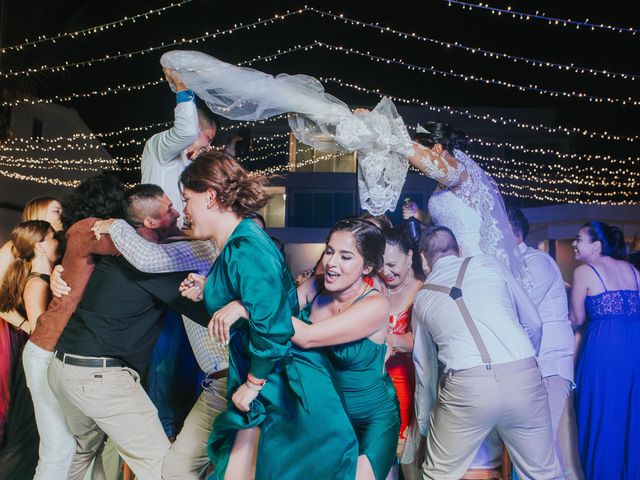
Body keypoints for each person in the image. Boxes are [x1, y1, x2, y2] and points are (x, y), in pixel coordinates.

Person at [178, 151, 359, 479]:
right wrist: (209, 288)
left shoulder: (245, 246)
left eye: (186, 199)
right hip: (264, 374)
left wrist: (253, 383)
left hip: (278, 380)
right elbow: (260, 296)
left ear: (210, 197)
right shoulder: (239, 243)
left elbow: (274, 323)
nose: (184, 210)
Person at [413, 226, 560, 480]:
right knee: (544, 475)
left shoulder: (422, 298)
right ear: (459, 251)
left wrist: (425, 427)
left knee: (438, 475)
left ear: (424, 261)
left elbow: (425, 371)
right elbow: (534, 323)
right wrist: (525, 366)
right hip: (523, 375)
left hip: (466, 388)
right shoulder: (490, 264)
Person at [22, 175, 126, 480]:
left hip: (60, 355)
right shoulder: (85, 232)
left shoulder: (75, 243)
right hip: (45, 353)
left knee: (75, 445)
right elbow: (131, 247)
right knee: (60, 448)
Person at [289, 218, 400, 480]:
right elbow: (277, 311)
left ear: (368, 266)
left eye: (345, 256)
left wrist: (251, 308)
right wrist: (221, 294)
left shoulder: (375, 305)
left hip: (372, 420)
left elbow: (305, 336)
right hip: (326, 418)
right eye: (329, 251)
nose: (331, 263)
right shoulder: (314, 287)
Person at [507, 207, 582, 479]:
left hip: (549, 364)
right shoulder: (508, 265)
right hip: (529, 366)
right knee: (539, 447)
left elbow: (520, 311)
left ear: (512, 232)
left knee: (538, 447)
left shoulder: (536, 262)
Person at [570, 221, 640, 479]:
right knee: (631, 410)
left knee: (600, 409)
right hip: (635, 344)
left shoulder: (585, 271)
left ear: (596, 245)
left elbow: (576, 318)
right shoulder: (632, 270)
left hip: (605, 346)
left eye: (579, 239)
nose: (575, 244)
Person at [142, 68, 239, 227]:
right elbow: (186, 131)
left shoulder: (189, 162)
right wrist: (183, 88)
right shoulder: (160, 146)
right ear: (197, 127)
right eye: (208, 139)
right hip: (154, 234)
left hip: (174, 237)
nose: (208, 147)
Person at [0, 221, 59, 479]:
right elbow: (40, 333)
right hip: (38, 368)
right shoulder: (37, 284)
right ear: (40, 247)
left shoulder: (44, 279)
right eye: (53, 238)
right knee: (27, 439)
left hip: (37, 365)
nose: (58, 241)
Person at [381, 227, 422, 462]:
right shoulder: (375, 287)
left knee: (400, 457)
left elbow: (420, 342)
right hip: (371, 383)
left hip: (403, 383)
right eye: (381, 264)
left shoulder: (421, 290)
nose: (386, 272)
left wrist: (388, 339)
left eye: (392, 265)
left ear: (409, 257)